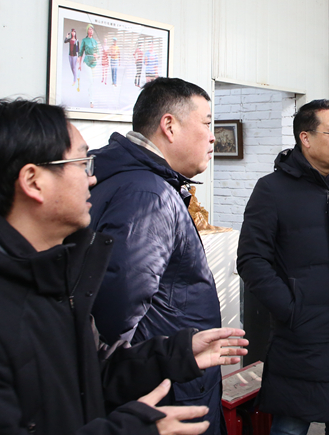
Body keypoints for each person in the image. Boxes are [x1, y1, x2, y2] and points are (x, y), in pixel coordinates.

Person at [0, 98, 248, 435]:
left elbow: (86, 375)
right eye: (81, 163)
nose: (93, 178)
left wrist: (175, 354)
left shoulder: (43, 278)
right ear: (33, 181)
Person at [237, 99, 329, 435]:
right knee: (290, 427)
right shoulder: (272, 189)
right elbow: (252, 259)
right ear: (305, 138)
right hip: (301, 336)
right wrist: (290, 307)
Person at [88, 78, 226, 434]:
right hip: (164, 388)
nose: (213, 137)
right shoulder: (148, 194)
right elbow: (118, 313)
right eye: (206, 123)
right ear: (169, 125)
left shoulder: (121, 178)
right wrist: (156, 364)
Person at [79, 24, 100, 108]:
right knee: (90, 81)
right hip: (87, 61)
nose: (91, 31)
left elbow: (98, 53)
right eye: (90, 29)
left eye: (92, 29)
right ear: (87, 30)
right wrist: (79, 64)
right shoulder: (84, 40)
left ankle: (90, 92)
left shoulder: (95, 42)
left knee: (93, 82)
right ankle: (91, 101)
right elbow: (81, 52)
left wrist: (97, 55)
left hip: (94, 62)